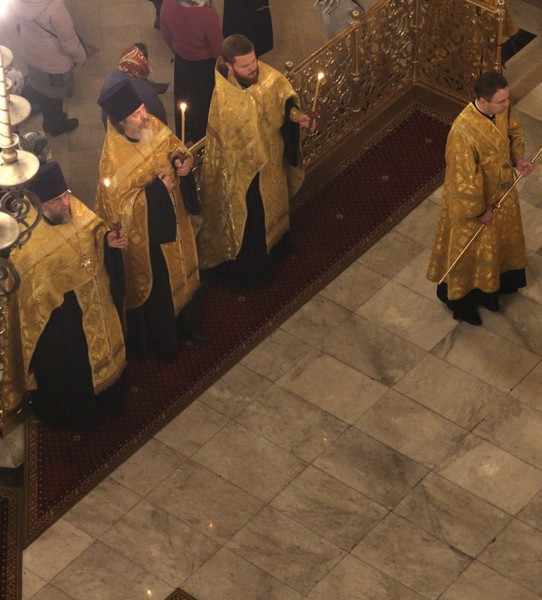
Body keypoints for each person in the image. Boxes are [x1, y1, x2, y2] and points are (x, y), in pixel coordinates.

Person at [0, 162, 126, 428]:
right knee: (73, 368)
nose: (65, 203)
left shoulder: (74, 208)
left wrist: (107, 241)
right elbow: (28, 289)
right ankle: (81, 416)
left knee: (105, 349)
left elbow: (94, 230)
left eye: (65, 195)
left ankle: (110, 399)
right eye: (57, 201)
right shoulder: (28, 240)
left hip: (95, 300)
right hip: (60, 320)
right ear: (41, 204)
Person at [96, 79, 206, 362]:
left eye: (143, 108)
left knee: (185, 270)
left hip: (177, 218)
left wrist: (181, 161)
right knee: (163, 287)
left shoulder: (153, 125)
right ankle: (168, 340)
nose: (145, 116)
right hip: (151, 238)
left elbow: (175, 147)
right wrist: (157, 191)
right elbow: (120, 209)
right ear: (122, 123)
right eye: (137, 115)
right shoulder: (113, 160)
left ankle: (190, 325)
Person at [197, 34, 310, 289]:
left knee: (277, 202)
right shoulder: (224, 98)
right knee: (256, 219)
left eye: (254, 60)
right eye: (245, 65)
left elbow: (283, 100)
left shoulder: (267, 76)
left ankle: (279, 248)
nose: (253, 68)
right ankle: (259, 271)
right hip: (248, 173)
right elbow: (226, 143)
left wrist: (295, 116)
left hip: (273, 159)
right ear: (230, 66)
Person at [426, 71, 534, 326]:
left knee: (499, 243)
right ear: (482, 101)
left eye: (507, 99)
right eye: (501, 101)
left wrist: (518, 158)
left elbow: (513, 132)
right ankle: (463, 302)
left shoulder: (502, 110)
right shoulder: (462, 131)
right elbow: (462, 179)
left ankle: (495, 288)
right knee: (470, 254)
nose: (506, 105)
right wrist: (478, 211)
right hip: (475, 206)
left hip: (503, 194)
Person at [9, 0, 86, 136]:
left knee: (38, 84)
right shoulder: (54, 6)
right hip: (53, 60)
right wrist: (81, 57)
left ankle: (29, 104)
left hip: (31, 51)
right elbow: (68, 40)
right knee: (54, 95)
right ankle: (55, 125)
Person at [160, 0, 223, 144]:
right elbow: (218, 50)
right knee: (203, 105)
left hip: (182, 64)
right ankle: (202, 140)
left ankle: (186, 135)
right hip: (204, 68)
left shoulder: (168, 4)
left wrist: (178, 51)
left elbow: (166, 35)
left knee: (185, 101)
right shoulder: (207, 15)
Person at [100, 44, 169, 128]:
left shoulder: (110, 80)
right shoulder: (148, 97)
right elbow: (161, 127)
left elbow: (105, 117)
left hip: (115, 132)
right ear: (143, 64)